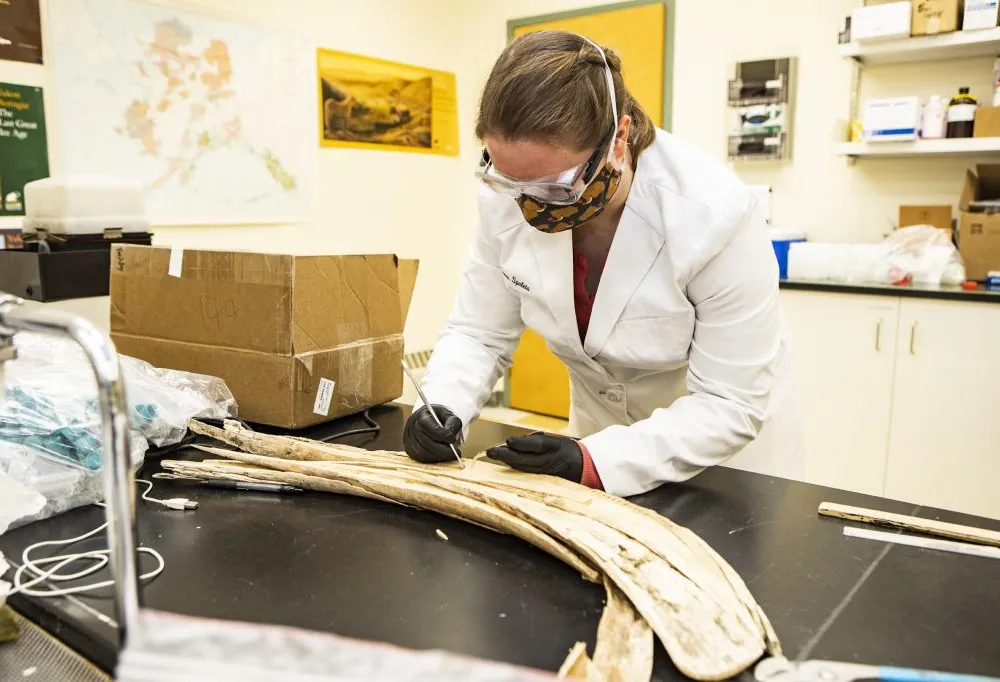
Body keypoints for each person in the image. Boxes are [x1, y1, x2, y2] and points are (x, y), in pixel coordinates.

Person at [402, 30, 801, 497]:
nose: (528, 204)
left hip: (718, 460)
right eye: (510, 183)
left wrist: (595, 460)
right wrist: (443, 402)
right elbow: (479, 332)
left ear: (618, 140)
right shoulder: (505, 195)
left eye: (556, 186)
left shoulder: (715, 214)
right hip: (597, 441)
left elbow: (729, 402)